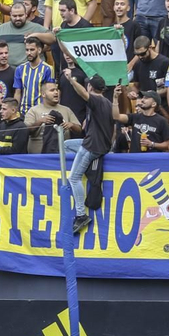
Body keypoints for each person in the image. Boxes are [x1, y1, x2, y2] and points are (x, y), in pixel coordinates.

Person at [61, 69, 116, 234]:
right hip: (95, 143)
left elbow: (83, 93)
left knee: (74, 178)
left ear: (91, 87)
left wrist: (71, 80)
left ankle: (80, 215)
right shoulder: (106, 102)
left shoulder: (98, 101)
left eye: (88, 84)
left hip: (92, 146)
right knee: (66, 145)